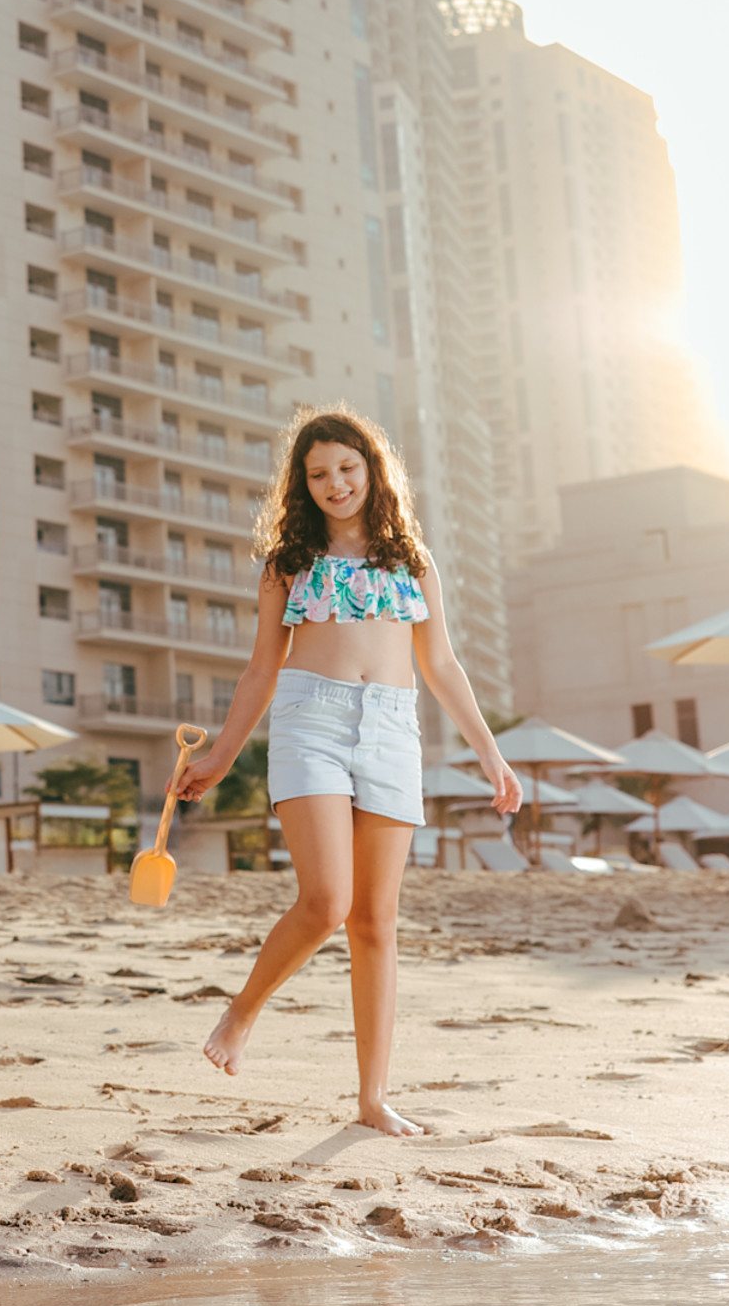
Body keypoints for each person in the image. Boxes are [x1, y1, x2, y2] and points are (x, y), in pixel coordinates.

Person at [174, 404, 522, 1132]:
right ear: (302, 485)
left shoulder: (412, 559)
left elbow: (443, 665)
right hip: (312, 721)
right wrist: (220, 756)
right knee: (327, 900)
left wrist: (491, 754)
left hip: (393, 728)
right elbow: (261, 669)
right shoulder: (288, 561)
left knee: (374, 921)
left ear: (372, 470)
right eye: (318, 474)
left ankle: (372, 1099)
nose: (335, 483)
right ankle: (243, 1011)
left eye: (347, 468)